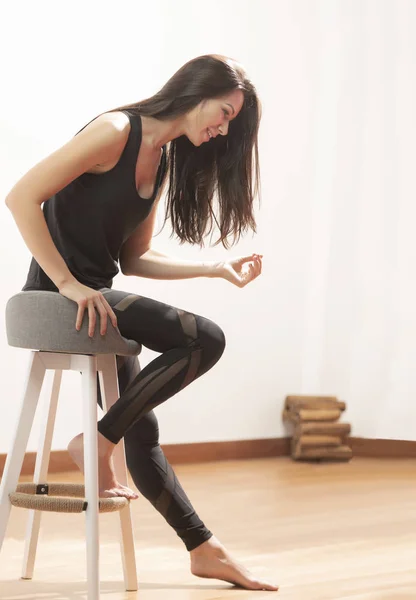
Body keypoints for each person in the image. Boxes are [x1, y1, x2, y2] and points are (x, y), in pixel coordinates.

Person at [5, 54, 278, 592]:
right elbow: (20, 197)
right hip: (61, 296)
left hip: (97, 299)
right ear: (197, 92)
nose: (222, 128)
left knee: (143, 433)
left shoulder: (163, 162)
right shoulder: (115, 131)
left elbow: (134, 259)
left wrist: (213, 269)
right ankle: (98, 443)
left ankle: (204, 548)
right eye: (223, 113)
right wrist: (67, 284)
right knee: (205, 339)